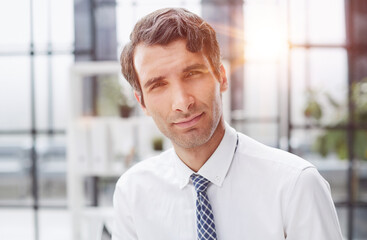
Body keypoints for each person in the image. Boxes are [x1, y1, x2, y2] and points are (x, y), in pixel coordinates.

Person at [113, 8, 343, 240]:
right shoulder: (132, 193)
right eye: (158, 85)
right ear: (141, 102)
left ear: (221, 77)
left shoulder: (296, 185)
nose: (182, 103)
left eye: (192, 74)